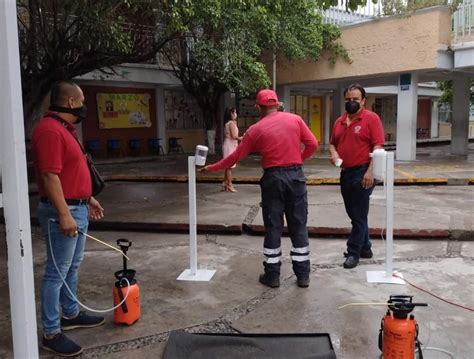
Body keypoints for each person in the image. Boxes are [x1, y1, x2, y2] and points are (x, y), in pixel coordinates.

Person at [201, 89, 318, 288]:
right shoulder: (295, 120)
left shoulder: (256, 129)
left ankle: (272, 276)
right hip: (296, 176)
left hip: (273, 179)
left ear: (258, 107)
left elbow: (235, 157)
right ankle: (303, 276)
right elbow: (313, 144)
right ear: (278, 104)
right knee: (298, 225)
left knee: (273, 227)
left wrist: (212, 168)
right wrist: (298, 160)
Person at [32, 81, 105, 356]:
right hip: (62, 212)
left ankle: (70, 314)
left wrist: (88, 198)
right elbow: (50, 176)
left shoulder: (65, 130)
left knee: (71, 267)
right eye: (83, 100)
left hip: (78, 208)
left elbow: (70, 173)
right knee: (56, 272)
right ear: (72, 103)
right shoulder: (50, 131)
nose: (85, 105)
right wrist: (64, 214)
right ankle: (51, 332)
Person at [329, 83, 385, 269]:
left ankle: (354, 252)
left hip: (364, 172)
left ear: (363, 101)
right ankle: (366, 247)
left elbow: (378, 147)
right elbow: (332, 143)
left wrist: (370, 172)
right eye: (348, 99)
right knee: (354, 213)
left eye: (355, 99)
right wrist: (334, 154)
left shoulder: (371, 119)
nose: (351, 102)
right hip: (345, 172)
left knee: (359, 215)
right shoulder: (339, 121)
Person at [221, 107, 243, 192]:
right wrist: (242, 138)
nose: (236, 114)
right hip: (230, 145)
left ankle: (225, 182)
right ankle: (229, 184)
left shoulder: (230, 123)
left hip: (230, 144)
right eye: (235, 112)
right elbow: (234, 136)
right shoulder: (231, 124)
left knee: (228, 165)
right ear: (231, 114)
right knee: (230, 166)